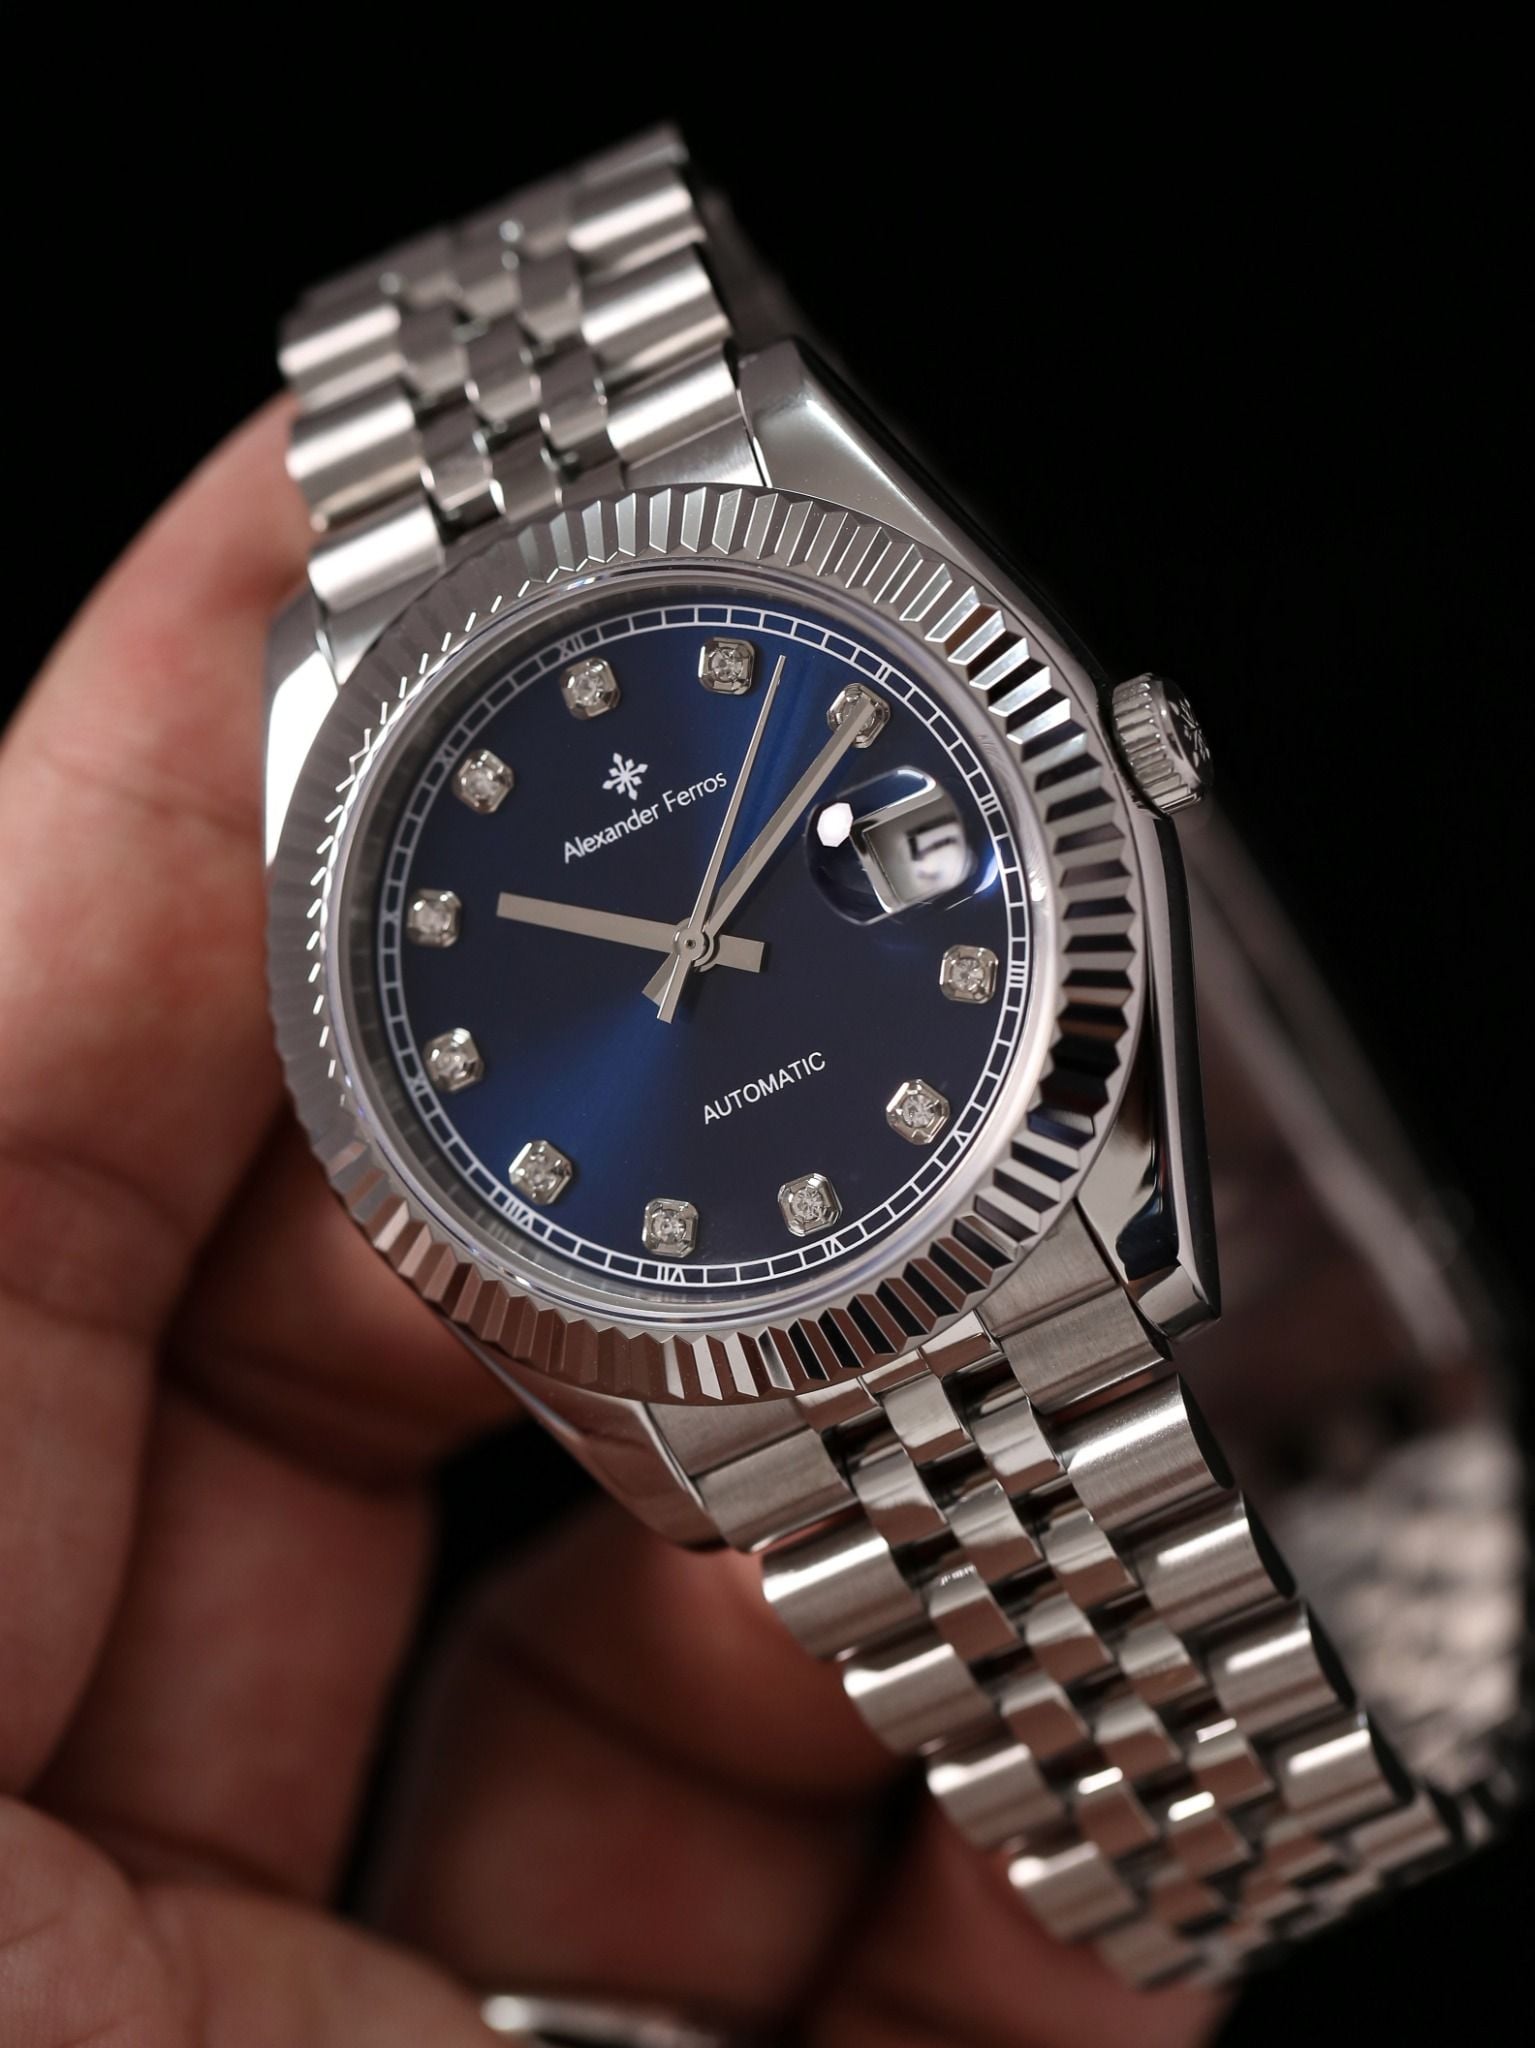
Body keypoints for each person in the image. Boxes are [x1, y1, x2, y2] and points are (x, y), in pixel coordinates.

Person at [0, 405, 1223, 2047]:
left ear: (1133, 751)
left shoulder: (766, 478)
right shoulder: (417, 1094)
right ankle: (1211, 1847)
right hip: (793, 1327)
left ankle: (1214, 1830)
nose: (692, 960)